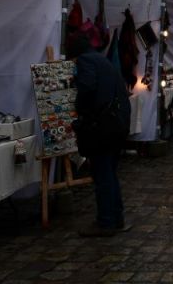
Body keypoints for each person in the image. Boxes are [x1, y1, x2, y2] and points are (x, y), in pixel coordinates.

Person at [69, 29, 131, 237]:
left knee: (103, 174)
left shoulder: (86, 62)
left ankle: (106, 221)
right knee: (110, 173)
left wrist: (79, 107)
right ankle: (116, 217)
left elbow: (87, 87)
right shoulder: (101, 60)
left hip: (103, 127)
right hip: (117, 124)